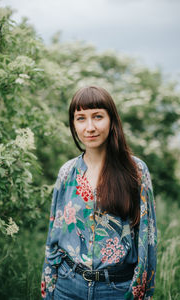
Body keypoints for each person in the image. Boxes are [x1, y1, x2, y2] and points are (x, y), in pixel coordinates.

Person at [41, 86, 157, 300]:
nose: (90, 127)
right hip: (67, 286)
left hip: (116, 289)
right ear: (73, 124)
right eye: (81, 118)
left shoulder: (136, 171)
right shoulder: (67, 172)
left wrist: (142, 293)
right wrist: (49, 289)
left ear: (112, 120)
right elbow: (54, 235)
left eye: (97, 116)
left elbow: (147, 238)